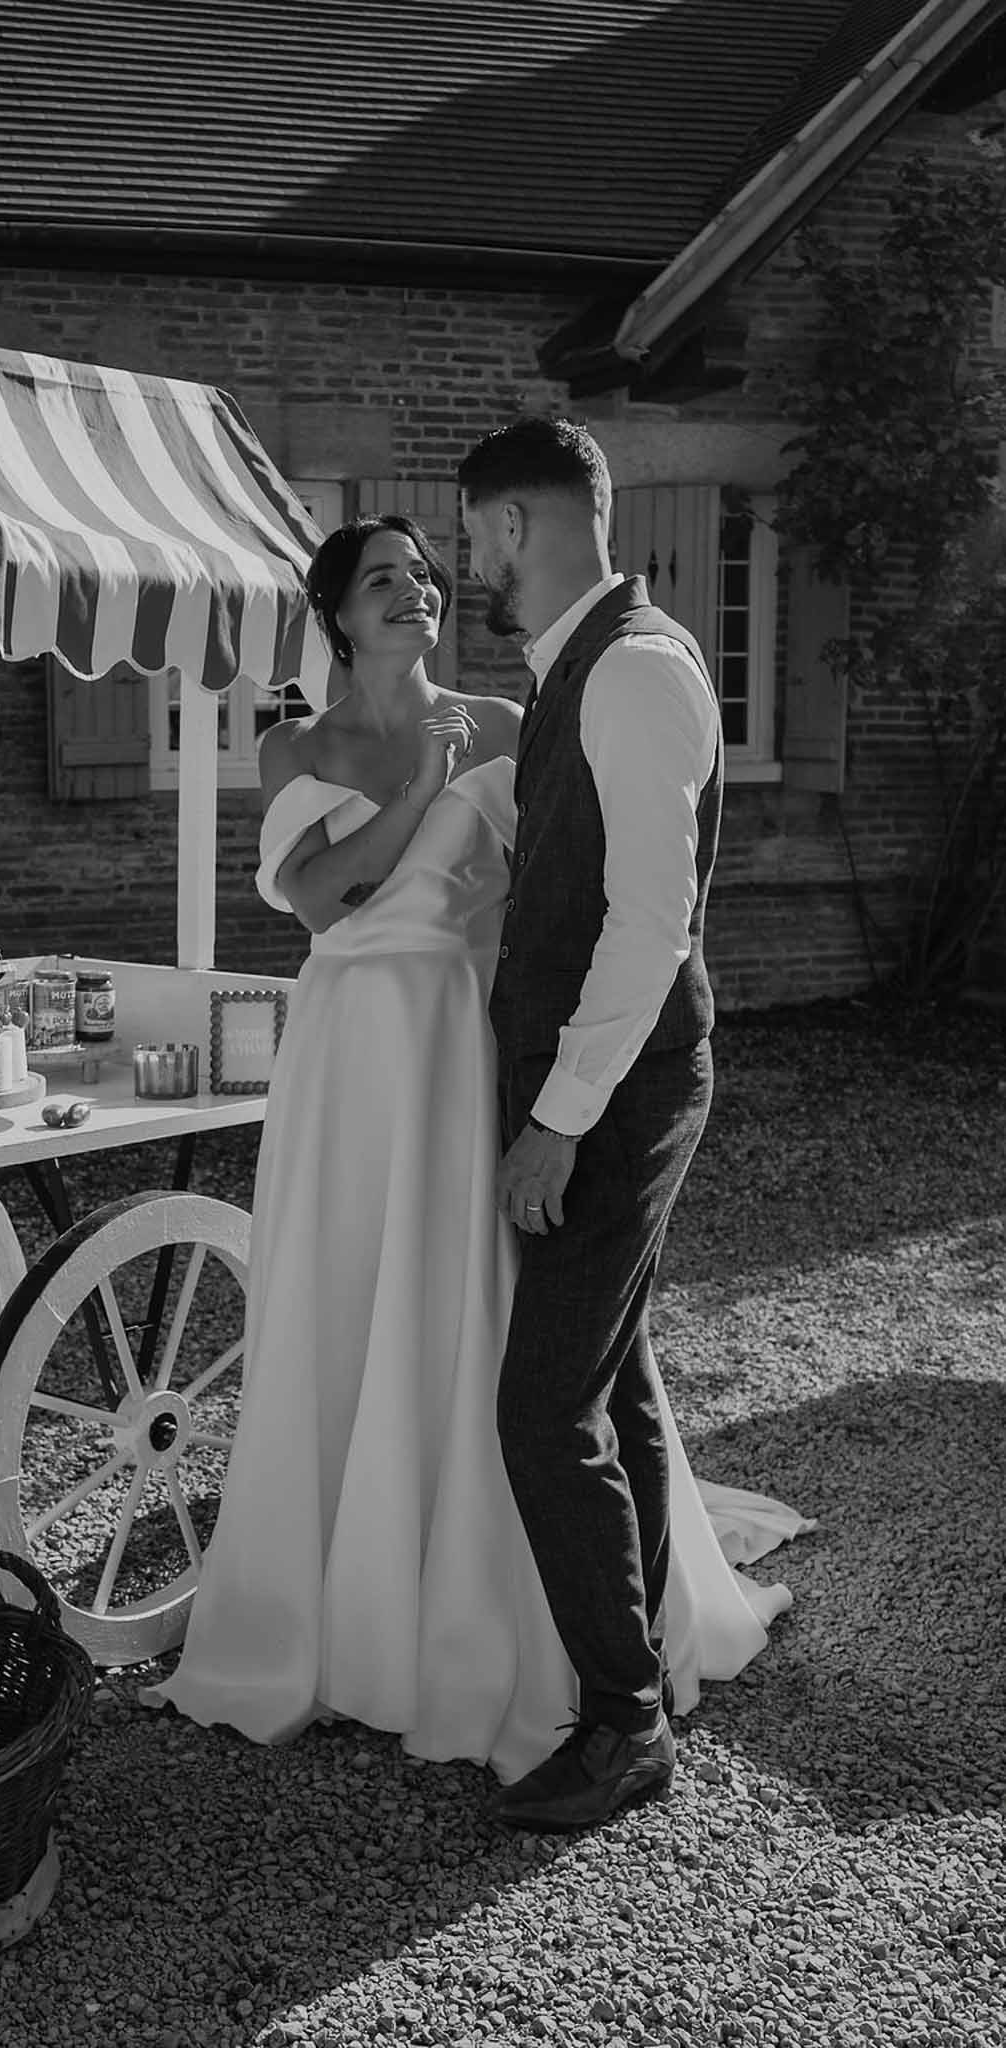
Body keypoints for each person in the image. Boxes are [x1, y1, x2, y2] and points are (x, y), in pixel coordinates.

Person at [147, 509, 809, 1790]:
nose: (416, 592)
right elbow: (320, 895)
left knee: (480, 1296)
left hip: (466, 1032)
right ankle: (340, 1601)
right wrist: (419, 785)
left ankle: (520, 1604)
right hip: (349, 1043)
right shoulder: (295, 742)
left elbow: (575, 877)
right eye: (383, 579)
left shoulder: (510, 722)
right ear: (336, 614)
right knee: (349, 1290)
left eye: (426, 575)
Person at [458, 414, 749, 1831]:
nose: (472, 565)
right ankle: (647, 1673)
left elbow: (647, 927)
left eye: (473, 536)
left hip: (616, 1094)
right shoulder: (586, 665)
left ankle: (624, 1725)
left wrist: (559, 1120)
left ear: (516, 524)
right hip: (590, 1081)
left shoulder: (631, 669)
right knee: (610, 1379)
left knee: (539, 1408)